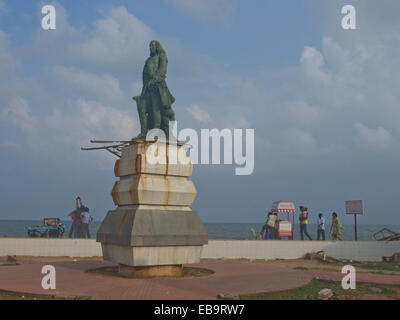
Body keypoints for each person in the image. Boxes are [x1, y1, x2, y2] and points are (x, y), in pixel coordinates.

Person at [133, 40, 176, 140]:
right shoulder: (148, 60)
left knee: (157, 109)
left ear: (157, 47)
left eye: (152, 45)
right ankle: (143, 133)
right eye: (149, 46)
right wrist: (142, 93)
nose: (151, 47)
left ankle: (156, 133)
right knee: (141, 106)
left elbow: (162, 70)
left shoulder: (162, 56)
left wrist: (155, 80)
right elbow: (144, 78)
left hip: (158, 87)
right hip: (147, 88)